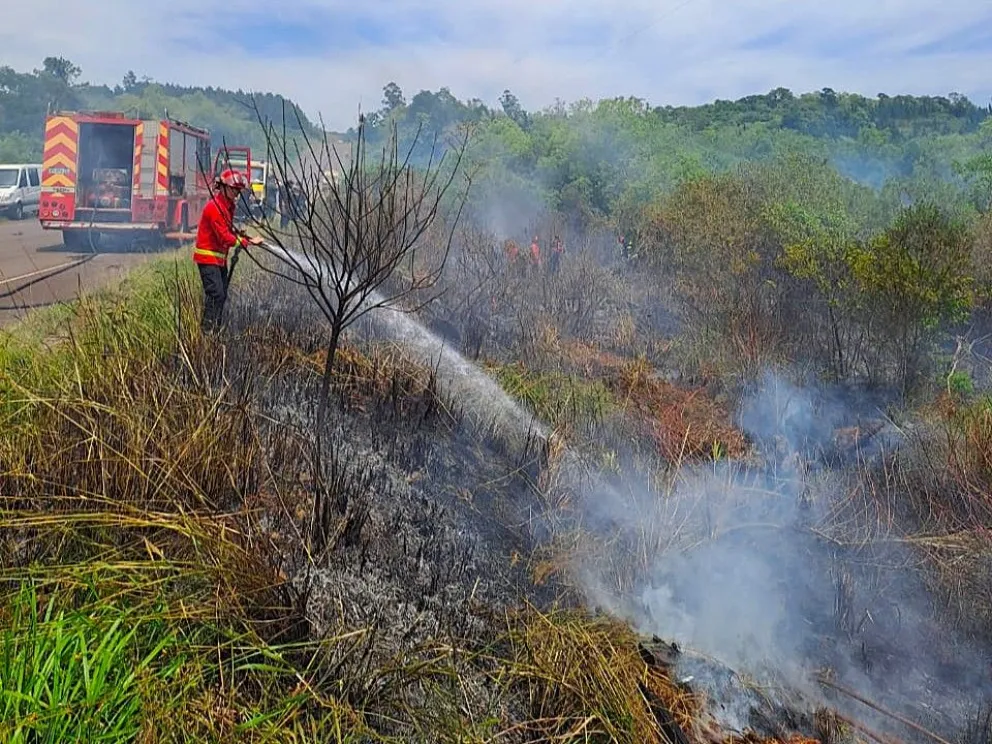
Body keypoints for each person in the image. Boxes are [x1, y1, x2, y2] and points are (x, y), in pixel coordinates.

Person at [193, 169, 263, 333]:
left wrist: (242, 235)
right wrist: (247, 242)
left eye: (238, 190)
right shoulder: (215, 208)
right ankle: (207, 332)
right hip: (208, 259)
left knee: (222, 296)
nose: (237, 193)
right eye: (234, 189)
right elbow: (224, 237)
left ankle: (215, 329)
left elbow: (228, 231)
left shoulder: (227, 206)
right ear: (223, 187)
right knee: (216, 295)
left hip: (218, 260)